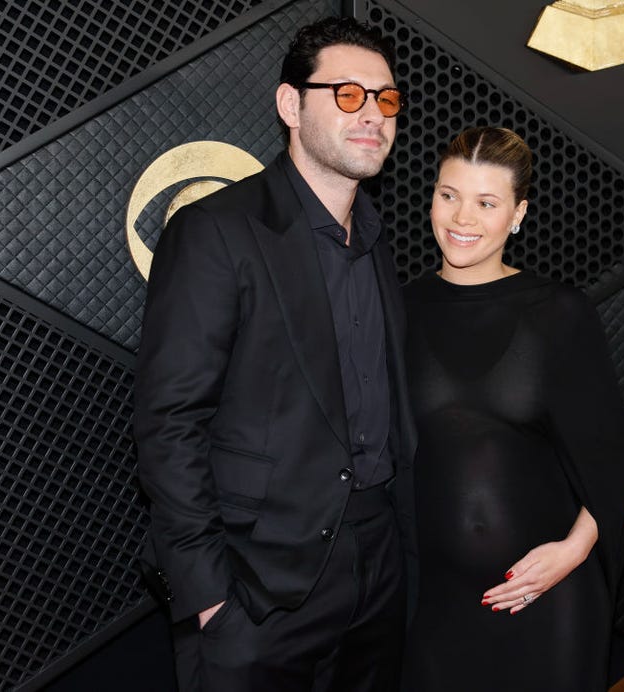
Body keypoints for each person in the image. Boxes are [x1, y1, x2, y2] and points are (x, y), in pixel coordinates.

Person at [133, 16, 416, 691]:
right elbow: (169, 422)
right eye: (347, 95)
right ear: (291, 105)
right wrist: (209, 596)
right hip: (256, 586)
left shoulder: (376, 240)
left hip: (378, 567)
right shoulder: (216, 231)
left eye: (386, 98)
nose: (372, 114)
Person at [401, 127, 624, 692]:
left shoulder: (559, 312)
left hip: (547, 601)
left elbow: (613, 458)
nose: (462, 218)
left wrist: (572, 552)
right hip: (432, 608)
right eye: (448, 194)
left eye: (486, 202)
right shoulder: (397, 308)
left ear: (518, 213)